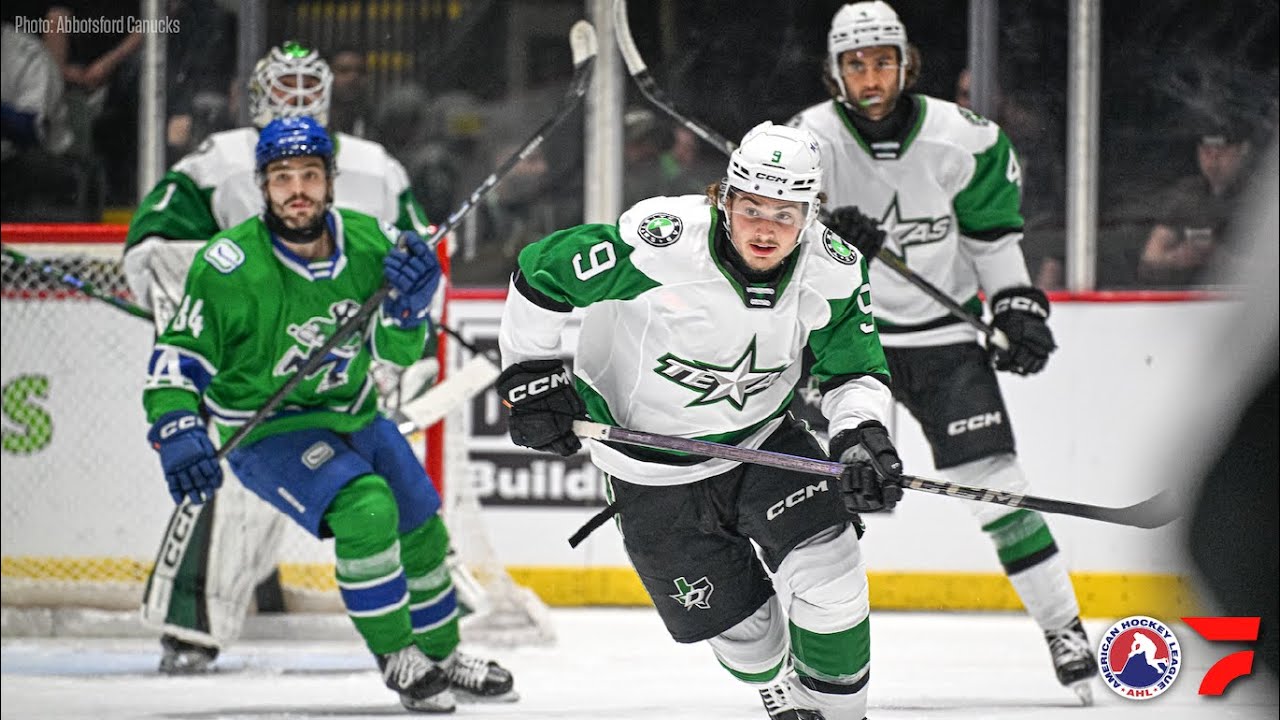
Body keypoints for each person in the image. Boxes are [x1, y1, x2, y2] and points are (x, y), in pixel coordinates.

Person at [497, 120, 903, 720]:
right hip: (648, 471)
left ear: (811, 215)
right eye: (753, 208)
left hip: (765, 443)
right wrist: (530, 377)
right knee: (754, 649)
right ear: (725, 197)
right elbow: (541, 270)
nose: (766, 228)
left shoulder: (834, 269)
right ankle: (774, 680)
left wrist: (861, 434)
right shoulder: (661, 242)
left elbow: (852, 371)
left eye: (786, 214)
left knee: (832, 579)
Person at [142, 116, 514, 711]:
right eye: (282, 177)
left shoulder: (371, 242)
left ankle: (443, 659)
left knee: (422, 525)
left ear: (330, 181)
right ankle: (400, 658)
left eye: (310, 175)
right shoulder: (228, 266)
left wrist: (409, 311)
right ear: (262, 186)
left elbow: (395, 352)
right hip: (265, 431)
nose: (297, 190)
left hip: (356, 412)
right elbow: (175, 361)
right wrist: (178, 429)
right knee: (368, 510)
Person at [788, 1, 1097, 703]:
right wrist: (823, 237)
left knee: (998, 486)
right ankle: (796, 650)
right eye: (856, 64)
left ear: (907, 64)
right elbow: (763, 236)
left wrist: (1015, 306)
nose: (871, 77)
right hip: (844, 339)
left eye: (883, 61)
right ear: (836, 72)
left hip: (944, 339)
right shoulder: (805, 142)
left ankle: (1063, 626)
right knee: (810, 500)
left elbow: (992, 243)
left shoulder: (966, 140)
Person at [122, 40, 447, 677]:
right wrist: (197, 312)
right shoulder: (219, 160)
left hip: (356, 368)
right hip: (260, 373)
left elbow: (418, 254)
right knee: (234, 493)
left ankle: (428, 630)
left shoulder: (376, 166)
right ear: (256, 94)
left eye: (309, 87)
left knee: (404, 501)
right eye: (283, 86)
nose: (296, 98)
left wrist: (413, 320)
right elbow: (152, 247)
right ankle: (194, 624)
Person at [1136, 117, 1253, 286]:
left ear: (1243, 151)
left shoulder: (1262, 198)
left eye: (1222, 152)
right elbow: (1148, 262)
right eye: (1206, 151)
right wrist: (1176, 258)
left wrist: (1223, 261)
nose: (1213, 161)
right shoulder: (1186, 195)